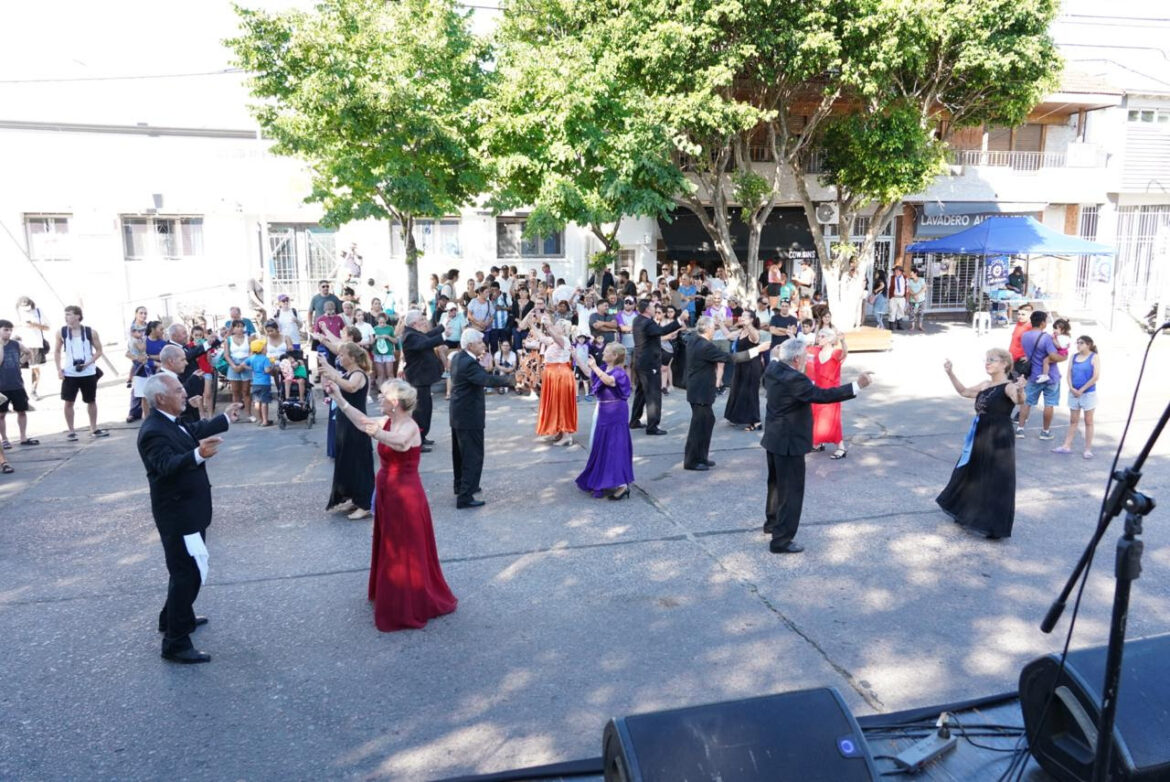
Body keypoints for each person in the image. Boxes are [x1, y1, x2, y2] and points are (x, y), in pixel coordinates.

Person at [329, 378, 457, 631]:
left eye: (382, 395)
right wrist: (339, 399)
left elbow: (399, 442)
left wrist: (374, 431)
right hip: (388, 490)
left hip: (405, 495)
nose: (378, 398)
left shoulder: (409, 426)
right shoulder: (390, 420)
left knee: (405, 546)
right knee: (391, 543)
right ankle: (395, 592)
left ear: (395, 402)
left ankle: (408, 602)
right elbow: (360, 421)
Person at [136, 373, 242, 663]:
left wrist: (225, 418)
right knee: (188, 573)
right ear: (161, 398)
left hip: (188, 511)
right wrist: (198, 454)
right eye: (179, 389)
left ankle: (170, 617)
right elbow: (165, 465)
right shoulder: (152, 431)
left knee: (185, 570)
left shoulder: (170, 421)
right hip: (177, 514)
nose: (185, 393)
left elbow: (192, 430)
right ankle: (175, 642)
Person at [761, 338, 872, 553]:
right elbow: (822, 395)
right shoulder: (795, 379)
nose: (806, 360)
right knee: (791, 492)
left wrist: (776, 352)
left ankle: (772, 524)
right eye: (804, 356)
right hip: (789, 442)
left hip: (774, 438)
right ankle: (781, 540)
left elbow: (773, 356)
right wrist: (857, 386)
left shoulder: (774, 368)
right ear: (795, 359)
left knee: (775, 485)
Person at [937, 349, 1026, 539]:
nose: (987, 363)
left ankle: (994, 525)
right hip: (980, 432)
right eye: (986, 360)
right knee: (971, 472)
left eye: (992, 360)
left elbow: (1019, 400)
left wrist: (1020, 388)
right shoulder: (986, 384)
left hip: (999, 435)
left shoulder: (1008, 386)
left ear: (1004, 364)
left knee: (995, 478)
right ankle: (965, 512)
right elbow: (964, 392)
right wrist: (950, 373)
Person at [448, 329, 514, 508]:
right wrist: (511, 380)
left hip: (459, 413)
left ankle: (462, 486)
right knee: (472, 455)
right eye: (480, 343)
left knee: (460, 454)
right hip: (468, 415)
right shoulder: (468, 362)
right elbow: (486, 379)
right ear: (470, 345)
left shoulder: (459, 357)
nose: (483, 345)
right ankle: (465, 496)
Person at [685, 316, 761, 471]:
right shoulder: (705, 346)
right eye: (713, 328)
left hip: (698, 390)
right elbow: (730, 358)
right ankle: (692, 461)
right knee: (699, 426)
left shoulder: (694, 339)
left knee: (707, 421)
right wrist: (756, 350)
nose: (714, 330)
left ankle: (701, 457)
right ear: (707, 329)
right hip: (700, 392)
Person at [320, 343, 374, 519]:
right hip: (345, 422)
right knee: (348, 460)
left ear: (352, 357)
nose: (340, 358)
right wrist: (325, 366)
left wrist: (333, 377)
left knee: (359, 462)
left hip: (356, 424)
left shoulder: (358, 374)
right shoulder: (348, 373)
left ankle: (365, 503)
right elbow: (336, 377)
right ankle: (355, 496)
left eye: (342, 355)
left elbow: (350, 387)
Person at [576, 343, 634, 499]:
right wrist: (574, 355)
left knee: (615, 447)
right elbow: (589, 372)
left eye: (607, 351)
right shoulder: (603, 367)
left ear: (615, 356)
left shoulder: (619, 373)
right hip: (604, 412)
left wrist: (595, 367)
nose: (603, 353)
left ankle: (622, 485)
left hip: (616, 412)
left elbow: (609, 381)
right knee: (602, 446)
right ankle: (604, 480)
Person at [629, 299, 685, 435]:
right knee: (653, 395)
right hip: (649, 364)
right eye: (653, 307)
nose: (655, 309)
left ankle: (634, 420)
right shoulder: (647, 322)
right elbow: (662, 330)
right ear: (647, 310)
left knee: (641, 392)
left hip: (640, 361)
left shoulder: (637, 319)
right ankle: (652, 426)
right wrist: (679, 320)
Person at [54, 305, 109, 441]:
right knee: (68, 402)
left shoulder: (91, 332)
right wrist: (59, 369)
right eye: (65, 314)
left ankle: (93, 428)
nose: (66, 317)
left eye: (69, 314)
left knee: (91, 400)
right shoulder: (61, 332)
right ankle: (71, 431)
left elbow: (99, 350)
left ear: (78, 316)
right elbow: (56, 351)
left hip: (88, 372)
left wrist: (88, 363)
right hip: (70, 373)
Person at [1016, 311, 1065, 441]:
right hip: (1051, 376)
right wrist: (1064, 357)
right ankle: (1045, 431)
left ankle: (1020, 429)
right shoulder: (1046, 338)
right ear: (1043, 322)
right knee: (1049, 404)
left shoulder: (1025, 336)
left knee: (1027, 402)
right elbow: (1053, 356)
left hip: (1033, 375)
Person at [401, 310, 445, 452]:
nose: (424, 321)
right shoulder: (409, 336)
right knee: (420, 412)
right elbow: (425, 343)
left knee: (426, 409)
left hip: (422, 379)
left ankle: (422, 436)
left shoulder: (414, 333)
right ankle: (416, 442)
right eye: (421, 319)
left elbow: (426, 337)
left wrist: (442, 327)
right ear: (414, 323)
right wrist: (443, 335)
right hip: (418, 379)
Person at [1052, 335, 1101, 459]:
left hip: (1088, 393)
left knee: (1088, 421)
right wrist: (1071, 388)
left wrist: (1082, 389)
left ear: (1088, 345)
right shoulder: (1074, 357)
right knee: (1073, 420)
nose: (1078, 345)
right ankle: (1066, 445)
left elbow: (1095, 377)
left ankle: (1088, 449)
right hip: (1074, 393)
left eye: (1081, 343)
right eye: (1077, 343)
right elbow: (1069, 373)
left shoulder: (1094, 357)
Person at [535, 318, 578, 446]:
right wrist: (532, 324)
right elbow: (542, 338)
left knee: (562, 403)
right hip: (555, 374)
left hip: (560, 374)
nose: (555, 326)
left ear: (563, 329)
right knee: (556, 403)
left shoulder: (563, 339)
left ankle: (566, 435)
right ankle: (560, 431)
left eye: (558, 325)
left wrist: (548, 325)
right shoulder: (555, 340)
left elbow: (553, 336)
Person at [809, 328, 849, 459]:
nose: (818, 338)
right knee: (817, 417)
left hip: (832, 392)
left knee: (833, 420)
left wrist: (843, 341)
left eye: (821, 336)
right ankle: (818, 444)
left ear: (829, 339)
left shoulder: (835, 352)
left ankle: (841, 447)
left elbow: (844, 353)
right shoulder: (816, 352)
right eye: (818, 336)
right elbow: (801, 351)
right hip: (818, 391)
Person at [722, 310, 764, 431]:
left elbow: (756, 339)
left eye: (745, 316)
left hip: (752, 366)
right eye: (742, 316)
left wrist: (748, 325)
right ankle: (736, 417)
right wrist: (720, 324)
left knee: (750, 392)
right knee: (737, 390)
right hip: (741, 364)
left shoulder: (753, 331)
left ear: (751, 319)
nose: (742, 317)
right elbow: (728, 336)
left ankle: (756, 421)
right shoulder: (741, 331)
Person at [0, 320, 36, 449]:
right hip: (2, 386)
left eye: (10, 330)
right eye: (5, 330)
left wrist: (20, 362)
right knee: (1, 414)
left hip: (16, 384)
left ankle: (23, 436)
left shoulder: (15, 344)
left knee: (21, 411)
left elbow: (28, 352)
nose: (9, 332)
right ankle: (4, 439)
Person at [15, 296, 49, 400]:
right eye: (23, 306)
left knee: (35, 369)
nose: (26, 308)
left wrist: (34, 325)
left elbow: (47, 327)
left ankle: (33, 391)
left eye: (27, 305)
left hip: (35, 344)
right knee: (14, 369)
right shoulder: (16, 313)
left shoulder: (38, 312)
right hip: (20, 345)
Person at [223, 320, 253, 415]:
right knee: (235, 392)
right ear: (233, 329)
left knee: (246, 391)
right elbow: (226, 355)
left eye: (241, 326)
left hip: (246, 364)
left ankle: (248, 414)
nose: (239, 328)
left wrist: (243, 364)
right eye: (237, 326)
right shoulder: (228, 340)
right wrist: (234, 366)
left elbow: (251, 353)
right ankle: (235, 413)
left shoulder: (248, 338)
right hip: (233, 365)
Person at [248, 341, 275, 427]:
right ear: (262, 349)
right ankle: (265, 420)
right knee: (264, 402)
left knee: (257, 401)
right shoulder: (265, 359)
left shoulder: (252, 358)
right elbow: (267, 370)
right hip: (264, 383)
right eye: (265, 347)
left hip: (255, 383)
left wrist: (251, 368)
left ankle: (260, 419)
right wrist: (272, 366)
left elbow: (243, 364)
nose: (266, 348)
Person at [1038, 318, 1071, 383]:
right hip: (1061, 354)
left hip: (1061, 354)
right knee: (1048, 361)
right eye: (1053, 328)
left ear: (1063, 330)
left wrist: (1053, 339)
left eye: (1056, 329)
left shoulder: (1062, 337)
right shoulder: (1060, 335)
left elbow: (1058, 346)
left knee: (1045, 361)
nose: (1054, 330)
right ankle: (1049, 374)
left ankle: (1045, 375)